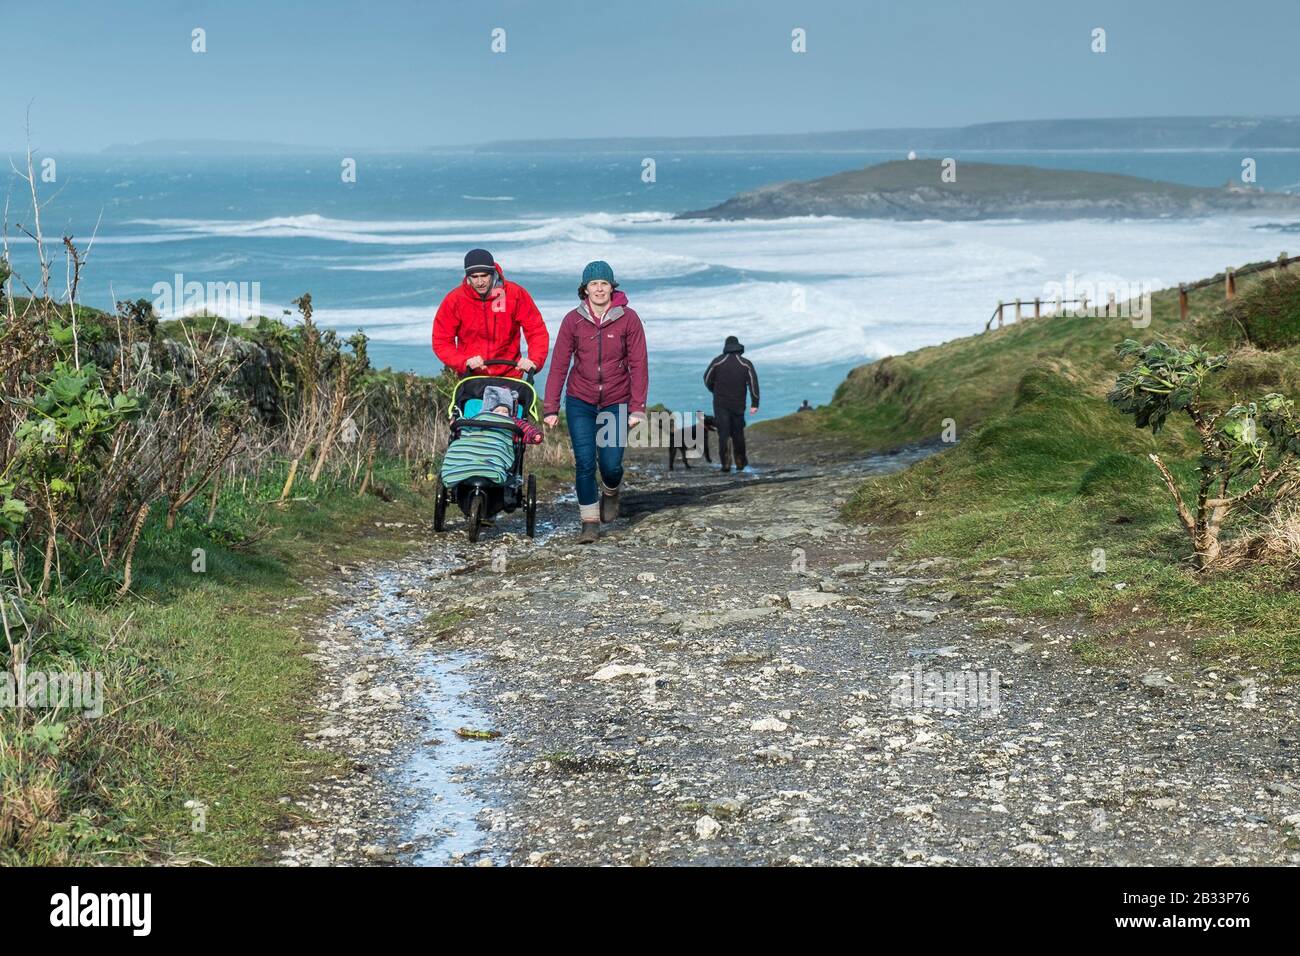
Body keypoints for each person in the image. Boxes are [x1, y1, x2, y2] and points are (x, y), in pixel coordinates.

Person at [543, 261, 648, 544]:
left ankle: (611, 491)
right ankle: (589, 523)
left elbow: (639, 365)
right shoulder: (572, 320)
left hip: (616, 400)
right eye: (593, 284)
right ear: (585, 289)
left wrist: (637, 406)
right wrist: (550, 407)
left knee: (611, 464)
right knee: (585, 463)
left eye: (604, 283)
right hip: (581, 401)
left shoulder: (629, 318)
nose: (599, 289)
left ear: (612, 287)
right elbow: (559, 365)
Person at [432, 248, 548, 379]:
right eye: (474, 277)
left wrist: (534, 360)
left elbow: (536, 330)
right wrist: (463, 362)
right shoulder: (455, 300)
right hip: (472, 377)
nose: (480, 282)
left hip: (510, 376)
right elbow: (441, 340)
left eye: (484, 276)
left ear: (492, 273)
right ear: (467, 277)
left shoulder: (514, 294)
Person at [440, 385, 542, 488]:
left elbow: (525, 428)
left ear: (510, 413)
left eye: (505, 412)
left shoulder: (513, 422)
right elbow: (464, 425)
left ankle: (486, 469)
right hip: (474, 446)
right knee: (458, 447)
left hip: (495, 451)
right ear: (488, 410)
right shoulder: (477, 418)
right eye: (497, 411)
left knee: (497, 453)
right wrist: (456, 422)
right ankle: (460, 467)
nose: (501, 415)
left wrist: (534, 435)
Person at [704, 335, 759, 472]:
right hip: (738, 404)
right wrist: (755, 403)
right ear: (738, 347)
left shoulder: (717, 362)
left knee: (724, 434)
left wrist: (714, 390)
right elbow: (753, 384)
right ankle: (740, 462)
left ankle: (726, 464)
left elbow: (706, 379)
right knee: (738, 434)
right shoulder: (746, 363)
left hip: (720, 403)